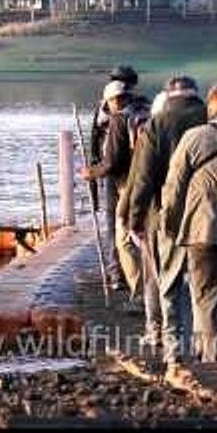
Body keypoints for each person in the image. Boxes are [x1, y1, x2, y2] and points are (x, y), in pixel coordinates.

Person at [161, 83, 217, 362]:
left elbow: (174, 186)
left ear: (210, 110)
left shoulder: (194, 137)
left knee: (208, 297)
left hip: (203, 230)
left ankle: (215, 360)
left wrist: (170, 225)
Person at [129, 75, 207, 369]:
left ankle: (175, 348)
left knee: (171, 282)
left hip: (167, 214)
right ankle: (207, 345)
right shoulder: (211, 116)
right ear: (195, 94)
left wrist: (135, 219)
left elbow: (143, 178)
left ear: (168, 95)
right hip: (211, 212)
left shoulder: (157, 124)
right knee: (205, 283)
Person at [116, 90, 168, 346]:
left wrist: (128, 216)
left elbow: (140, 178)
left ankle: (156, 330)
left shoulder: (151, 134)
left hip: (154, 216)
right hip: (188, 215)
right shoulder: (194, 127)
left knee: (153, 275)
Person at [80, 80, 134, 289]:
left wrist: (91, 173)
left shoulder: (118, 119)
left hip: (118, 178)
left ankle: (117, 274)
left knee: (115, 224)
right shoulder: (141, 110)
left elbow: (111, 161)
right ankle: (124, 272)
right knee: (133, 226)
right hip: (140, 176)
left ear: (113, 100)